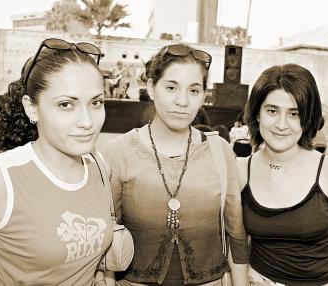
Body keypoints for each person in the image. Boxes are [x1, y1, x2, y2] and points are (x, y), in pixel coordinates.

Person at [0, 38, 114, 285]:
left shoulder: (99, 165)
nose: (87, 121)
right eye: (66, 104)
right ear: (32, 108)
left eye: (96, 103)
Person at [99, 44, 249, 285]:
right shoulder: (118, 152)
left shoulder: (220, 151)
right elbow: (108, 237)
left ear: (203, 95)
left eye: (193, 90)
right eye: (171, 88)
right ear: (151, 88)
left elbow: (236, 234)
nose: (182, 101)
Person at [238, 64, 328, 285]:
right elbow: (236, 247)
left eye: (294, 114)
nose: (281, 125)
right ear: (257, 113)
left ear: (308, 117)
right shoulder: (240, 170)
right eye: (272, 111)